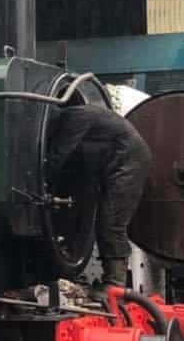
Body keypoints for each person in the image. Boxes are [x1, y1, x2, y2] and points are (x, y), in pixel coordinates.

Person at [44, 104, 153, 289]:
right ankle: (113, 281)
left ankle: (115, 284)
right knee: (107, 220)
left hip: (127, 161)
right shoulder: (83, 116)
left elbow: (59, 152)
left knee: (111, 222)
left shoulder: (75, 117)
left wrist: (40, 179)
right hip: (115, 162)